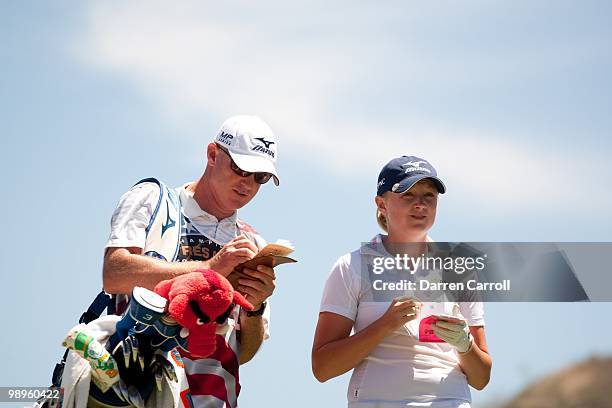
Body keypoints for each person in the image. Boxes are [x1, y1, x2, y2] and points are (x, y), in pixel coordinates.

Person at [103, 115, 280, 408]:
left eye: (259, 177)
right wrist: (210, 268)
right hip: (126, 390)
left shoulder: (255, 245)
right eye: (240, 168)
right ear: (212, 154)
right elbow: (114, 272)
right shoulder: (152, 199)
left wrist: (256, 307)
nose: (247, 183)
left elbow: (242, 354)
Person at [312, 156, 492, 408]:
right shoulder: (351, 267)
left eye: (429, 195)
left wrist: (465, 344)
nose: (420, 204)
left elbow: (482, 378)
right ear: (381, 204)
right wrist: (385, 325)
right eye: (407, 194)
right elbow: (323, 367)